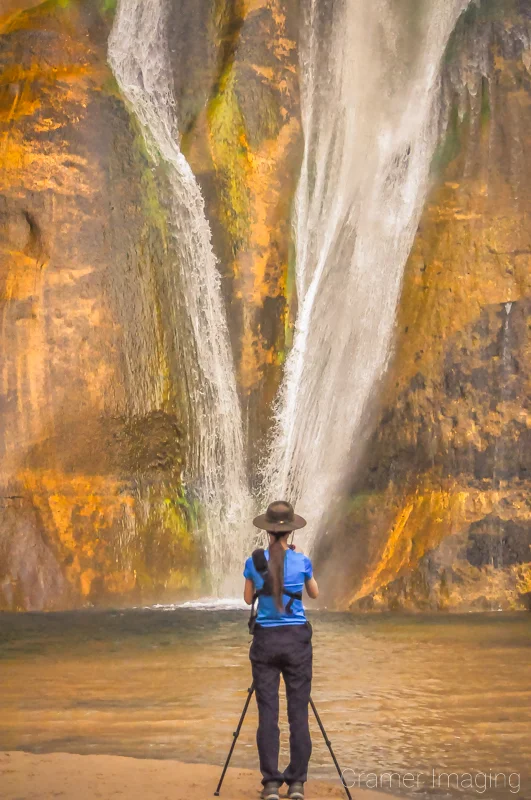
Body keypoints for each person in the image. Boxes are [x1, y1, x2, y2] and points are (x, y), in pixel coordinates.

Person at [243, 500, 319, 800]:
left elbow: (248, 599)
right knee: (298, 713)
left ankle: (271, 784)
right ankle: (297, 782)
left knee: (268, 713)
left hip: (266, 643)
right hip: (297, 643)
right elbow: (314, 593)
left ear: (267, 532)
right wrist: (299, 564)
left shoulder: (254, 562)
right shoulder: (302, 561)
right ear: (289, 532)